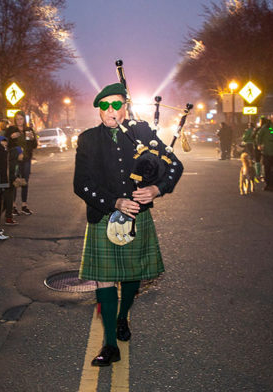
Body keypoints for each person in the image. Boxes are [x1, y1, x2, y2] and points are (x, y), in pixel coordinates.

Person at [74, 83, 183, 367]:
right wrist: (115, 202)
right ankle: (110, 344)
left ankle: (123, 316)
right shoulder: (87, 139)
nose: (110, 110)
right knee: (105, 280)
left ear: (125, 107)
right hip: (103, 217)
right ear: (99, 109)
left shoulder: (142, 133)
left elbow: (174, 165)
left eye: (116, 104)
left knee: (132, 278)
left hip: (138, 217)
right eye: (104, 105)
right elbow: (81, 184)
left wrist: (158, 189)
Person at [6, 111, 38, 215]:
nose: (19, 121)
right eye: (17, 119)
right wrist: (11, 137)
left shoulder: (28, 130)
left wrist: (33, 139)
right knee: (15, 181)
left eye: (21, 119)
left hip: (26, 159)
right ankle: (13, 206)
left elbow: (34, 145)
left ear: (24, 120)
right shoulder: (11, 129)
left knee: (25, 181)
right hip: (15, 160)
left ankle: (24, 205)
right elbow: (6, 144)